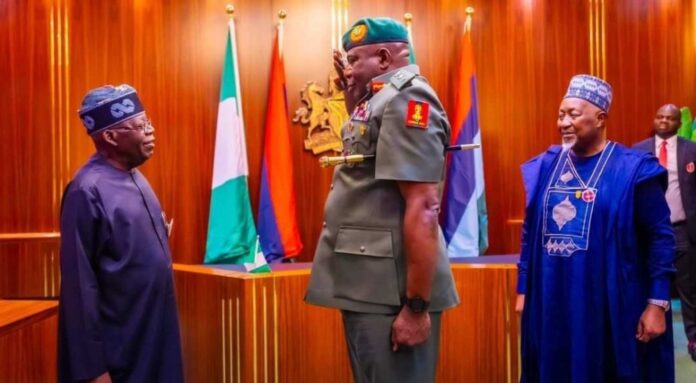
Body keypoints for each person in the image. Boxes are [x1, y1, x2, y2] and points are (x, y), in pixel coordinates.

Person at [304, 17, 459, 383]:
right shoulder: (379, 99)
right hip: (370, 286)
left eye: (355, 60)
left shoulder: (410, 99)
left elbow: (423, 207)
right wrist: (354, 93)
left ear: (385, 58)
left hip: (394, 295)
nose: (348, 69)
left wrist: (417, 307)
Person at [516, 75, 676, 382]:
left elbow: (660, 239)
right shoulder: (545, 166)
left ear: (600, 118)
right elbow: (529, 231)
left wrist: (657, 302)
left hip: (611, 303)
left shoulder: (634, 169)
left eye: (573, 114)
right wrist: (524, 287)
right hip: (552, 300)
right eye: (561, 114)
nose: (563, 122)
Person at [58, 85, 183, 383]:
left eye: (148, 122)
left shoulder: (135, 175)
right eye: (140, 126)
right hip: (120, 348)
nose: (151, 132)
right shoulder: (86, 191)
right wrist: (93, 369)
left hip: (154, 333)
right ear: (111, 137)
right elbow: (79, 287)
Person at [634, 104, 696, 361]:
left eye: (670, 118)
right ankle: (647, 335)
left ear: (678, 123)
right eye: (660, 116)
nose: (664, 121)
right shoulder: (637, 151)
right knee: (650, 287)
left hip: (683, 230)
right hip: (649, 234)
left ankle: (693, 340)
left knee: (689, 291)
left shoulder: (691, 150)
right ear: (654, 119)